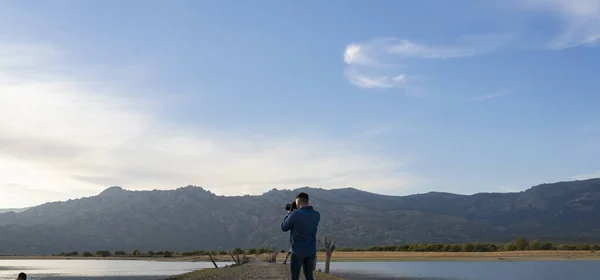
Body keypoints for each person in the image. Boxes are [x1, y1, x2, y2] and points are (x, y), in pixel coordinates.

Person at [281, 192, 320, 280]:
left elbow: (284, 227)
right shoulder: (317, 215)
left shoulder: (295, 214)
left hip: (297, 251)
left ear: (298, 202)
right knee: (309, 276)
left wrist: (289, 213)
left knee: (294, 277)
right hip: (311, 251)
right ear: (307, 201)